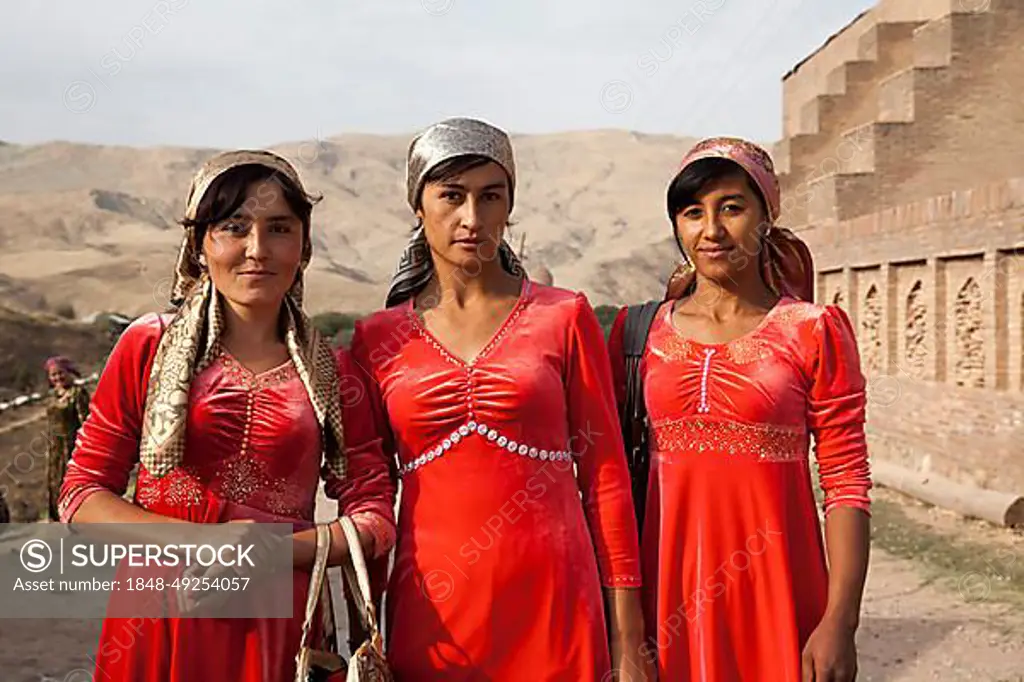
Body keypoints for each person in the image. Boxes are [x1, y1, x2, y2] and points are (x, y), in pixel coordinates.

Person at [58, 150, 397, 682]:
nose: (256, 250)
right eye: (233, 228)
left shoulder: (338, 372)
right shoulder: (149, 346)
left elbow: (374, 516)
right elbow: (81, 494)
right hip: (161, 611)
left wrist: (271, 550)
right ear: (200, 245)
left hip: (280, 617)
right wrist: (206, 543)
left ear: (304, 247)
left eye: (279, 228)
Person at [348, 117, 651, 681]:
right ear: (418, 206)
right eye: (451, 196)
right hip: (431, 612)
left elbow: (606, 479)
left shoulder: (564, 316)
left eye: (491, 197)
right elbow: (365, 493)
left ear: (509, 204)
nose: (472, 218)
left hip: (554, 602)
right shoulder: (376, 339)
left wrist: (628, 639)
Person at [608, 137, 872, 682]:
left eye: (731, 207)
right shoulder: (639, 333)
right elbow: (608, 483)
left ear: (766, 216)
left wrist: (839, 620)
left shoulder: (813, 329)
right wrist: (627, 634)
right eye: (692, 212)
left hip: (779, 596)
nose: (712, 230)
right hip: (666, 602)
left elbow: (846, 480)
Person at [44, 355, 91, 521]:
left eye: (60, 373)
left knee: (71, 481)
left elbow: (86, 421)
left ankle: (76, 516)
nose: (57, 378)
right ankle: (58, 516)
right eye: (53, 375)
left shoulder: (78, 394)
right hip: (54, 447)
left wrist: (84, 447)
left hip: (72, 445)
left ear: (69, 373)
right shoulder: (52, 396)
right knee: (55, 481)